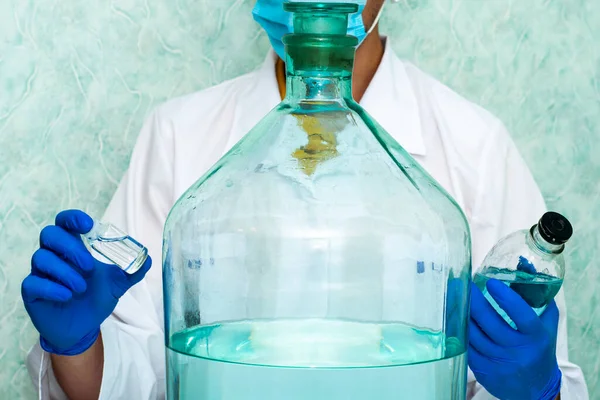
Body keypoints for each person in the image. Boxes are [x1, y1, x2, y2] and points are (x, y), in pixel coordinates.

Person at [22, 0, 588, 399]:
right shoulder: (181, 135)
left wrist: (535, 390)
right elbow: (137, 379)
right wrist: (78, 343)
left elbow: (542, 375)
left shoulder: (474, 147)